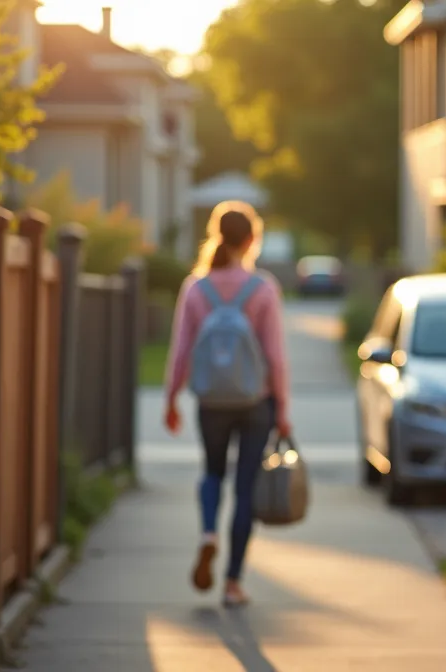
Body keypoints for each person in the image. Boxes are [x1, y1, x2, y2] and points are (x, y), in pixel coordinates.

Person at [163, 200, 292, 607]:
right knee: (246, 487)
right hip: (256, 400)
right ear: (252, 239)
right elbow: (275, 355)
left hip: (211, 400)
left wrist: (171, 397)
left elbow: (180, 349)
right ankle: (233, 583)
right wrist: (283, 409)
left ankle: (207, 534)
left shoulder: (196, 288)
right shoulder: (263, 289)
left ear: (217, 236)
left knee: (213, 472)